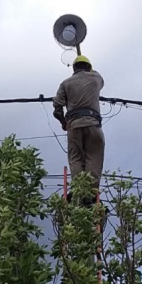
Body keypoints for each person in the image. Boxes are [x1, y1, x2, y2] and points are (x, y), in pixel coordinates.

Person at [52, 55, 105, 204]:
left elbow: (57, 108)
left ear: (74, 69)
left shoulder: (65, 83)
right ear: (88, 68)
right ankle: (90, 195)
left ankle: (79, 191)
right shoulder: (96, 78)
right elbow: (99, 79)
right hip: (93, 124)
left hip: (74, 125)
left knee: (76, 159)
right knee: (93, 158)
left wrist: (63, 122)